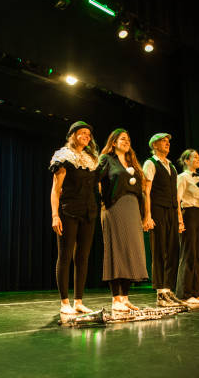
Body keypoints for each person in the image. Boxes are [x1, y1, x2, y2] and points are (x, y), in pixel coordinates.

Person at [49, 121, 99, 315]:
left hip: (88, 212)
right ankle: (64, 302)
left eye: (89, 133)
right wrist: (55, 215)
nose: (86, 136)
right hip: (68, 210)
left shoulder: (90, 159)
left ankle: (78, 301)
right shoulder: (64, 156)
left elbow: (96, 186)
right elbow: (55, 189)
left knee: (83, 257)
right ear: (72, 135)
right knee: (65, 256)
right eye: (82, 133)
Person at [96, 129, 149, 312]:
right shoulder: (106, 160)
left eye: (128, 139)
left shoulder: (132, 163)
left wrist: (145, 214)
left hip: (132, 209)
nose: (127, 141)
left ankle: (125, 298)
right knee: (116, 251)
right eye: (122, 139)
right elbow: (95, 179)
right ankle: (115, 299)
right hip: (114, 209)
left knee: (130, 251)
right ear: (113, 142)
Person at [142, 133, 185, 307]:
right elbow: (146, 191)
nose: (167, 144)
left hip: (172, 210)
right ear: (154, 145)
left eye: (168, 142)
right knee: (159, 249)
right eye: (163, 141)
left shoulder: (172, 167)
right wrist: (147, 215)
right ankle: (160, 292)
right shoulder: (150, 163)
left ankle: (168, 289)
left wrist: (180, 218)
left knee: (173, 250)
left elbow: (175, 195)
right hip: (158, 209)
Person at [175, 149, 199, 305]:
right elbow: (177, 200)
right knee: (188, 255)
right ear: (186, 161)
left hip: (198, 216)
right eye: (195, 157)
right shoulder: (182, 177)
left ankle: (195, 292)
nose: (198, 159)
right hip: (187, 215)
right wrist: (180, 220)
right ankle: (184, 294)